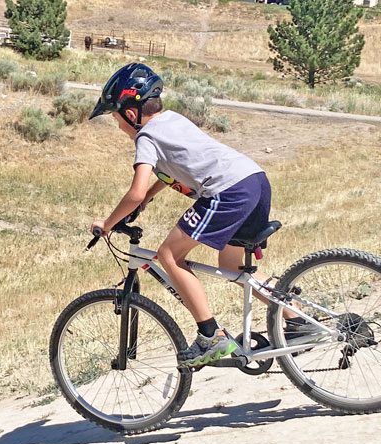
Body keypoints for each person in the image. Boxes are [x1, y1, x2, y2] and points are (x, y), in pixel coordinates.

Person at [88, 63, 292, 368]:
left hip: (227, 191)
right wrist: (150, 197)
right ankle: (299, 320)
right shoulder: (172, 120)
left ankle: (210, 335)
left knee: (168, 255)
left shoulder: (146, 137)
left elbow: (134, 192)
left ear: (131, 113)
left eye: (116, 118)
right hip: (254, 180)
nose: (118, 126)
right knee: (234, 266)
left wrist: (107, 223)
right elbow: (179, 166)